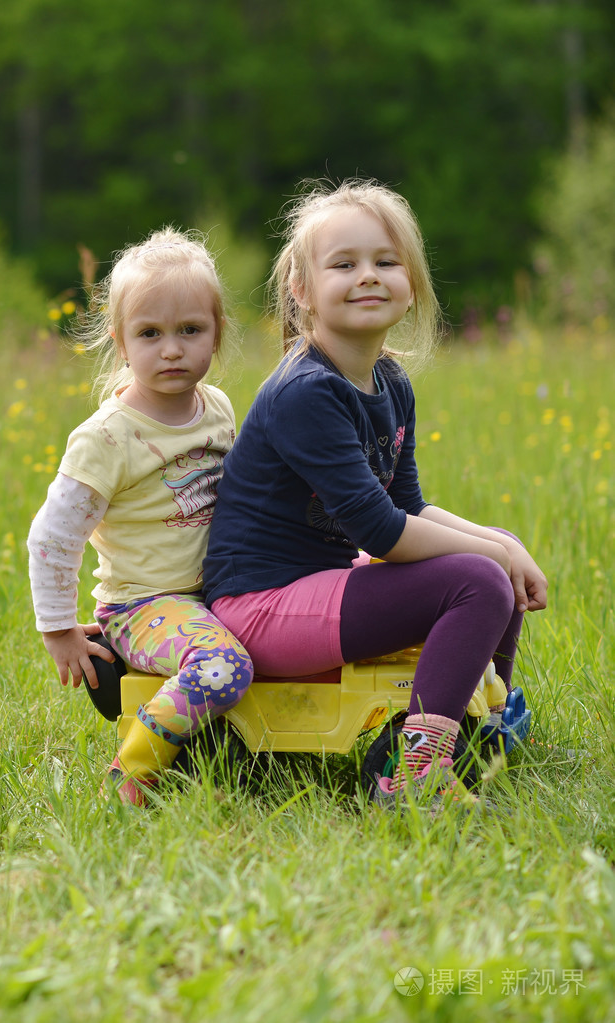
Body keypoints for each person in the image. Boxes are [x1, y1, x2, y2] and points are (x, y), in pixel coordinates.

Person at [202, 179, 547, 809]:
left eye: (386, 262)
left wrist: (501, 545)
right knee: (482, 579)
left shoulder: (388, 380)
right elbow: (380, 532)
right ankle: (416, 773)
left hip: (317, 585)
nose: (368, 276)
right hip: (259, 604)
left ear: (411, 282)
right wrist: (495, 560)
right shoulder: (306, 391)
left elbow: (409, 506)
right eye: (344, 264)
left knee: (497, 554)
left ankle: (480, 726)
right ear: (300, 291)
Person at [27, 228, 253, 806]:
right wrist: (58, 630)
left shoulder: (218, 408)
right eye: (150, 334)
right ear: (121, 342)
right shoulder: (107, 437)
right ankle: (134, 771)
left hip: (220, 588)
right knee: (223, 666)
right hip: (145, 603)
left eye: (190, 331)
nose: (171, 349)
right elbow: (53, 538)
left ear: (216, 334)